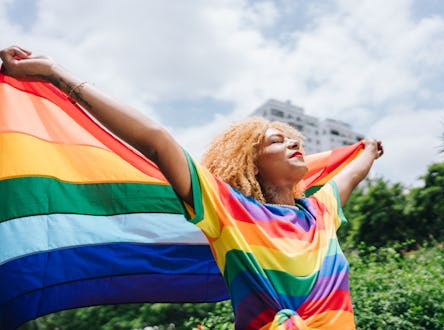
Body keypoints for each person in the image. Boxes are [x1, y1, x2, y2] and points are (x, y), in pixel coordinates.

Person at [0, 46, 383, 329]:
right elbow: (156, 140)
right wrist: (55, 73)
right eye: (276, 141)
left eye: (293, 138)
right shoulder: (228, 209)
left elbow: (351, 174)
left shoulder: (322, 212)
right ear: (251, 163)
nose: (293, 143)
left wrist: (367, 150)